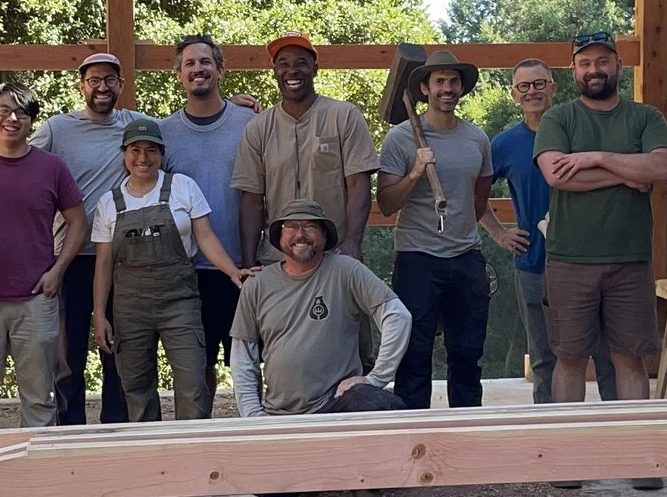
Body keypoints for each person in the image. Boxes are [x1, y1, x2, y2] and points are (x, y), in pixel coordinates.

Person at [535, 29, 667, 474]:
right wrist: (626, 172)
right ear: (573, 70)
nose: (594, 69)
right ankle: (569, 459)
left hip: (630, 259)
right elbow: (557, 176)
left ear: (618, 66)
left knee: (629, 358)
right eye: (585, 63)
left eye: (602, 61)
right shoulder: (559, 118)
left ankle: (637, 458)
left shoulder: (644, 116)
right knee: (570, 357)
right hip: (570, 259)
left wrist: (595, 158)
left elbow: (661, 167)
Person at [231, 200, 411, 497]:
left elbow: (397, 315)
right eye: (292, 227)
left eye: (310, 227)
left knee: (381, 404)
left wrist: (375, 377)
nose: (301, 234)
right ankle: (305, 471)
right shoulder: (257, 285)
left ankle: (364, 483)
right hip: (279, 418)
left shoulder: (346, 270)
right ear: (279, 236)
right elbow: (243, 355)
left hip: (334, 408)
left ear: (324, 236)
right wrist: (253, 419)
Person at [376, 47, 524, 409]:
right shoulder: (400, 138)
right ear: (424, 88)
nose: (447, 87)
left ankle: (467, 438)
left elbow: (478, 199)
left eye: (453, 81)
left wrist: (488, 232)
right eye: (439, 81)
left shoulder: (477, 139)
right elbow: (386, 203)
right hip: (417, 259)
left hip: (464, 258)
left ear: (461, 88)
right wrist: (414, 172)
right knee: (414, 357)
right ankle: (412, 439)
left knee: (467, 355)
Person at [93, 115, 252, 420]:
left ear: (162, 154)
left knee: (192, 383)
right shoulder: (109, 202)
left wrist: (233, 271)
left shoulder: (182, 186)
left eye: (151, 150)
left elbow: (205, 237)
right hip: (130, 306)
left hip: (179, 300)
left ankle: (193, 452)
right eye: (135, 150)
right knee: (137, 387)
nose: (143, 158)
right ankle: (150, 457)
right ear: (124, 154)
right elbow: (104, 262)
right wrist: (100, 315)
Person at [0, 82, 86, 438]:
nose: (13, 118)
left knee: (40, 397)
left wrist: (58, 271)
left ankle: (36, 478)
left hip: (37, 299)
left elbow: (78, 222)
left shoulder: (52, 168)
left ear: (31, 122)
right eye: (5, 111)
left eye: (22, 113)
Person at [490, 57, 620, 405]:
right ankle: (550, 434)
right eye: (524, 86)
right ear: (514, 95)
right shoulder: (504, 144)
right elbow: (471, 191)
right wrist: (498, 232)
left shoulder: (580, 129)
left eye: (539, 83)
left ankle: (619, 431)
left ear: (553, 87)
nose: (532, 91)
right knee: (545, 356)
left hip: (592, 261)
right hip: (535, 263)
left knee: (607, 353)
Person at [31, 51, 134, 425]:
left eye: (110, 80)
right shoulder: (57, 129)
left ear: (121, 86)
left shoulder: (137, 125)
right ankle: (69, 430)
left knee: (119, 350)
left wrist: (233, 104)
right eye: (94, 80)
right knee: (68, 351)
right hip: (70, 257)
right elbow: (16, 158)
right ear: (82, 87)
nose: (102, 87)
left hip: (124, 257)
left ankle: (116, 430)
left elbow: (183, 127)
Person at [159, 33, 253, 416]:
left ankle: (256, 438)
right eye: (189, 64)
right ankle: (199, 437)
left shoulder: (250, 123)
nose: (198, 69)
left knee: (247, 363)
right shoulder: (162, 133)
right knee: (197, 369)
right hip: (185, 271)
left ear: (220, 69)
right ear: (179, 74)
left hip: (240, 267)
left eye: (205, 62)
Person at [233, 34, 379, 266]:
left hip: (334, 257)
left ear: (315, 69)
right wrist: (250, 263)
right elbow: (252, 201)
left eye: (301, 62)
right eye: (283, 64)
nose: (292, 70)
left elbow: (358, 185)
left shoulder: (344, 116)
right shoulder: (258, 128)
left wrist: (352, 242)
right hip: (276, 259)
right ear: (275, 71)